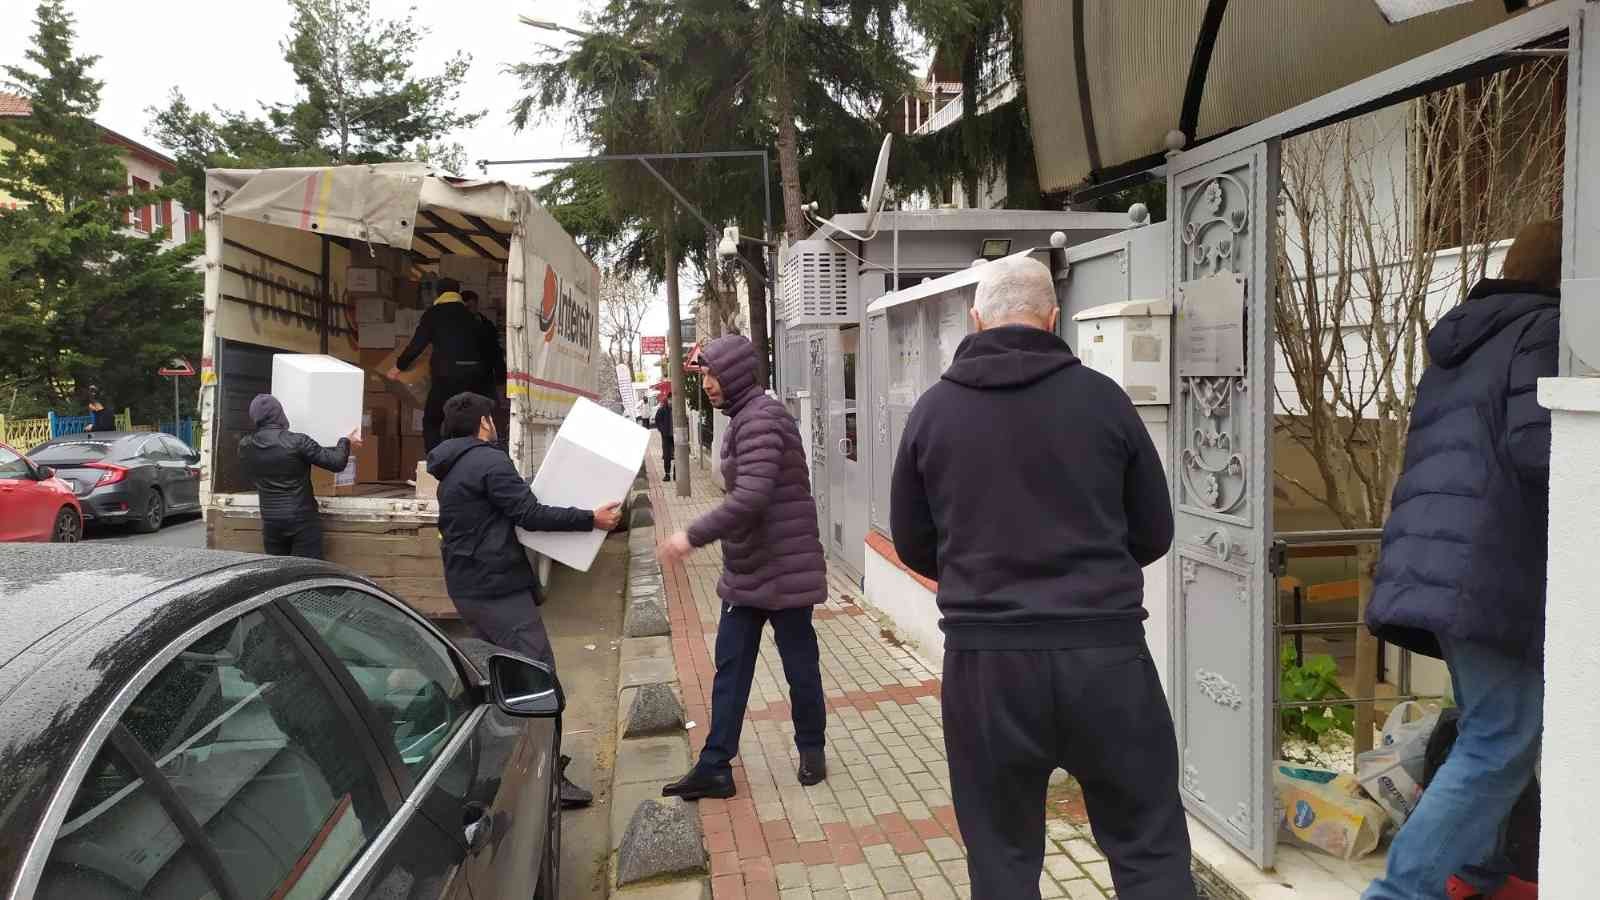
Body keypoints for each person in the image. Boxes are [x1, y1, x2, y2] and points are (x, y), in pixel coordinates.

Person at [889, 256, 1189, 900]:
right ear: (1054, 320)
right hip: (1106, 657)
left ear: (976, 319)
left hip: (986, 665)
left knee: (1001, 858)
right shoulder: (1105, 401)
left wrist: (979, 576)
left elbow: (913, 541)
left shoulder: (933, 413)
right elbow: (1154, 531)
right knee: (1148, 847)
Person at [1360, 221, 1561, 900]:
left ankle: (1475, 870)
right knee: (1501, 736)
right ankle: (1400, 893)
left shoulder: (1467, 338)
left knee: (1492, 731)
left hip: (1446, 562)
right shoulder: (1542, 331)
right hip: (1488, 566)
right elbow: (1544, 451)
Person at [426, 391, 623, 808]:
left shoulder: (451, 469)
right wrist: (592, 519)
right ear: (483, 423)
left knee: (501, 684)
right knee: (537, 682)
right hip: (497, 591)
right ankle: (547, 780)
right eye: (491, 418)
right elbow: (530, 514)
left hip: (469, 589)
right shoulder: (489, 461)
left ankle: (504, 770)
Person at [657, 335, 829, 800]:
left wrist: (690, 536)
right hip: (749, 567)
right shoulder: (743, 418)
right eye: (705, 376)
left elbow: (751, 497)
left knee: (799, 666)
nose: (708, 384)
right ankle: (715, 766)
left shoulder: (762, 418)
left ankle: (812, 749)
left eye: (713, 375)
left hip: (785, 566)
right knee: (730, 667)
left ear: (735, 373)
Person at [238, 394, 361, 559]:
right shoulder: (297, 442)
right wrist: (345, 441)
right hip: (302, 520)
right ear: (279, 414)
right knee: (308, 573)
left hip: (271, 521)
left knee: (279, 572)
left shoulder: (246, 445)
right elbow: (337, 463)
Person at [389, 277, 502, 452]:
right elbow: (490, 349)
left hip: (446, 378)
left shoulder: (434, 314)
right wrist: (496, 377)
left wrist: (398, 367)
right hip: (474, 379)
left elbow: (416, 345)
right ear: (457, 293)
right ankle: (471, 458)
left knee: (433, 420)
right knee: (470, 421)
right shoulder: (472, 317)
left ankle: (435, 464)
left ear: (438, 293)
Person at [654, 384, 675, 482]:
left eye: (673, 399)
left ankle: (676, 474)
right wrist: (662, 430)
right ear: (668, 399)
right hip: (666, 436)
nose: (671, 401)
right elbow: (657, 421)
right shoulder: (662, 409)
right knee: (667, 456)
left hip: (675, 436)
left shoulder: (677, 409)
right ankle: (667, 475)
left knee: (677, 456)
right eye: (670, 399)